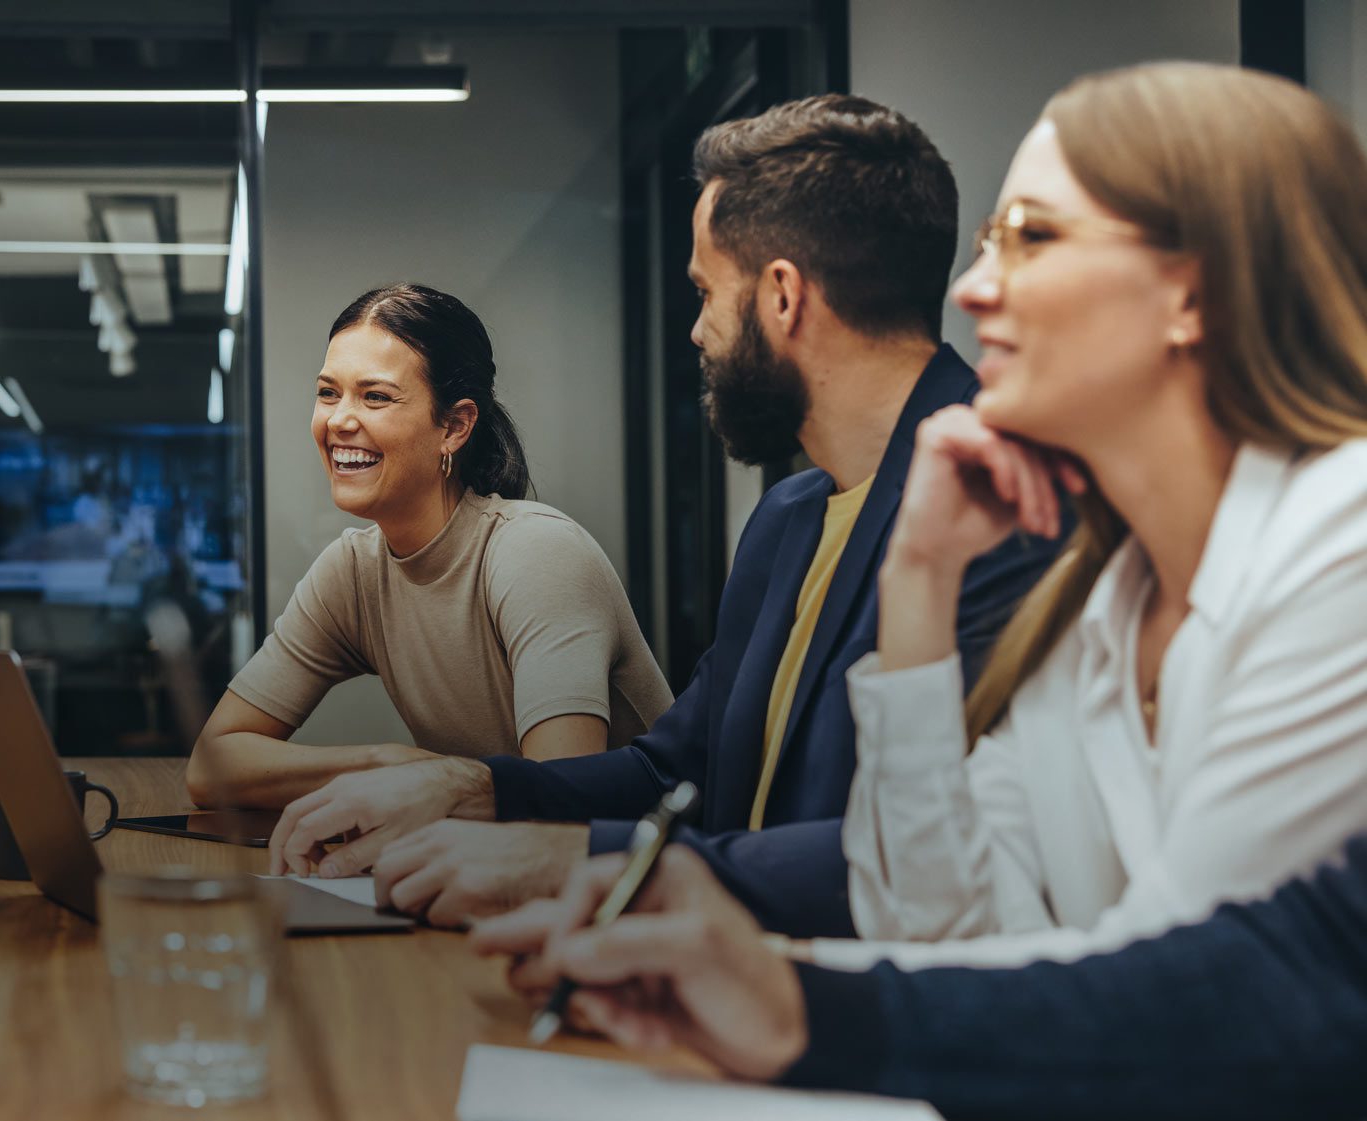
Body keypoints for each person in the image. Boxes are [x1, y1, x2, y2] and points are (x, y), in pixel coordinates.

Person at [268, 95, 1061, 935]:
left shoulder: (1008, 512)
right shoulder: (789, 519)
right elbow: (673, 768)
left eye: (706, 292)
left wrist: (570, 857)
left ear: (782, 297)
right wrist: (475, 788)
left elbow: (923, 856)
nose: (696, 332)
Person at [805, 60, 1367, 971]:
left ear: (1195, 294)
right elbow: (932, 929)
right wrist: (919, 574)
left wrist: (773, 990)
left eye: (1030, 237)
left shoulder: (1347, 542)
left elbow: (1164, 997)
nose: (971, 289)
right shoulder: (1102, 604)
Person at [185, 284, 671, 809]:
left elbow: (559, 806)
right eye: (328, 392)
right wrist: (388, 763)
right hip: (505, 870)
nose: (340, 420)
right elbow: (212, 769)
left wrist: (431, 784)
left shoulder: (536, 552)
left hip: (644, 875)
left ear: (455, 427)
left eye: (375, 397)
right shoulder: (353, 571)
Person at [471, 840, 1367, 1121]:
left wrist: (800, 998)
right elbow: (1302, 959)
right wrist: (796, 1007)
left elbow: (1263, 988)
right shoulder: (1096, 581)